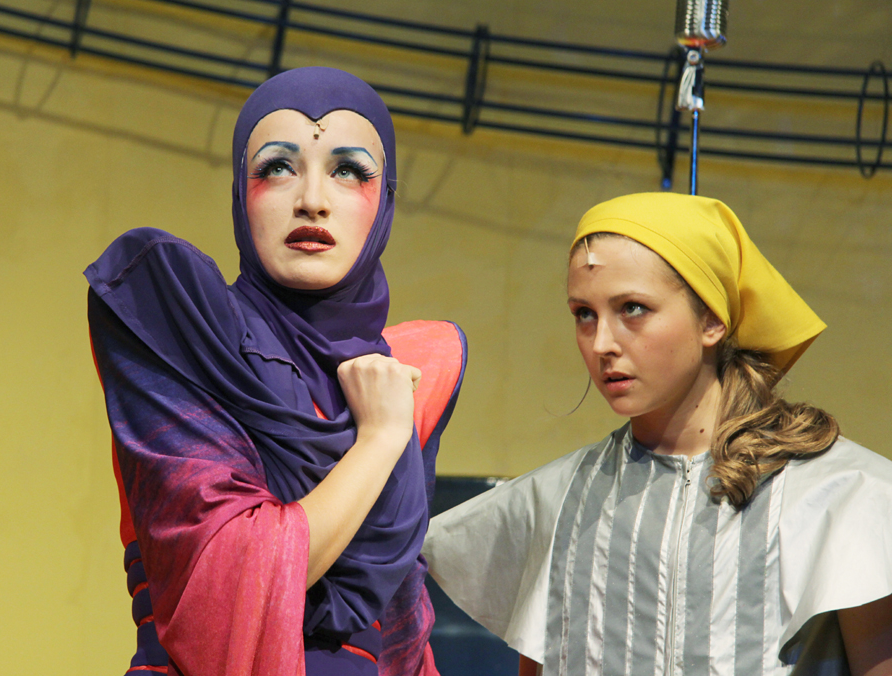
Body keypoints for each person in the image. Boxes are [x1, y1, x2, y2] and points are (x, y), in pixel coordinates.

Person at [86, 67, 466, 676]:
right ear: (241, 193)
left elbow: (403, 630)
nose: (312, 199)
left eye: (349, 171)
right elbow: (229, 584)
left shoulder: (407, 376)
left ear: (386, 201)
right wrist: (378, 440)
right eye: (278, 167)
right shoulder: (182, 327)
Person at [421, 193, 892, 676]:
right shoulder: (550, 503)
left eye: (633, 308)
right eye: (584, 313)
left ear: (712, 319)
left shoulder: (847, 496)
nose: (602, 343)